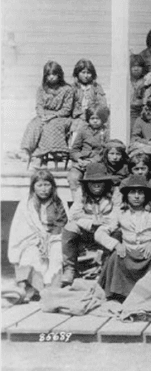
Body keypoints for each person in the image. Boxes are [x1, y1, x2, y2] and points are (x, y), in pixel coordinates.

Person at [96, 175, 151, 301]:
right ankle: (119, 294)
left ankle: (146, 293)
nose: (136, 196)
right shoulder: (119, 212)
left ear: (146, 195)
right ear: (126, 195)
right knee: (115, 256)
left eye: (140, 192)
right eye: (132, 192)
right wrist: (116, 244)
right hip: (128, 254)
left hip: (148, 255)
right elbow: (99, 233)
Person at [9, 170, 68, 302]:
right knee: (30, 254)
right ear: (33, 187)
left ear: (52, 186)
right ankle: (32, 289)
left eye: (47, 185)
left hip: (55, 237)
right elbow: (21, 228)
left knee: (57, 254)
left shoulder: (58, 202)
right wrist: (38, 239)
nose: (43, 189)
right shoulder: (26, 203)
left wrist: (50, 239)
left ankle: (51, 290)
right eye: (39, 185)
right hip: (32, 238)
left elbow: (62, 224)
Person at [62, 163, 119, 286]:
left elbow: (116, 217)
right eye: (92, 182)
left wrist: (103, 227)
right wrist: (92, 221)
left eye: (100, 182)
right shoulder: (81, 192)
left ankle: (106, 268)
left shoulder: (115, 193)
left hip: (107, 230)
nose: (97, 185)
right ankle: (69, 268)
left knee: (118, 232)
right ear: (87, 183)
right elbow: (73, 215)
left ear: (106, 182)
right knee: (70, 227)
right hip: (87, 230)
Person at [19, 61, 75, 162]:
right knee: (34, 124)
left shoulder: (67, 89)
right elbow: (39, 105)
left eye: (54, 74)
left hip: (61, 117)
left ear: (59, 74)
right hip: (44, 115)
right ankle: (26, 151)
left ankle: (48, 152)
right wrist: (42, 115)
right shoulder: (41, 89)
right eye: (48, 75)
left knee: (51, 125)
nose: (51, 77)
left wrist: (53, 116)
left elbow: (67, 109)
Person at [67, 105, 110, 198]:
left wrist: (91, 161)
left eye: (97, 118)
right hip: (81, 163)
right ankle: (77, 201)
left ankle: (91, 200)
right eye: (92, 118)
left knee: (91, 180)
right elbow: (74, 149)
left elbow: (105, 152)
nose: (95, 121)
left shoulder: (106, 132)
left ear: (103, 119)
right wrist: (79, 159)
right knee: (73, 177)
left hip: (97, 163)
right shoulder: (83, 131)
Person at [70, 58, 108, 136]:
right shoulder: (73, 88)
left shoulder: (96, 87)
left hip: (94, 115)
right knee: (77, 127)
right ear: (77, 73)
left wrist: (95, 112)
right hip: (78, 117)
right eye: (83, 72)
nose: (86, 76)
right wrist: (80, 114)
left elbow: (102, 104)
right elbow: (70, 105)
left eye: (88, 73)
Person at [130, 54, 147, 133]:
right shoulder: (126, 81)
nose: (136, 69)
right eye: (133, 66)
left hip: (140, 112)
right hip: (128, 112)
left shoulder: (146, 81)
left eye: (139, 66)